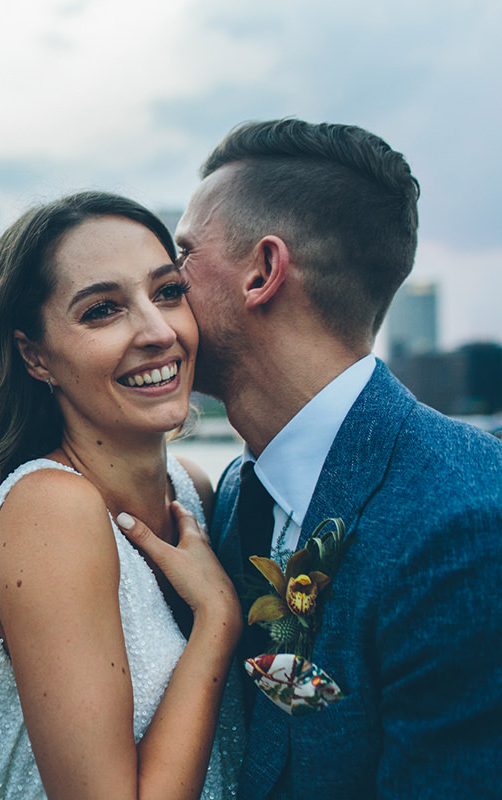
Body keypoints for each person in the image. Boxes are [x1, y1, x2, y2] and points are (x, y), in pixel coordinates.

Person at [167, 118, 502, 798]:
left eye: (181, 257)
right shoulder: (236, 490)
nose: (161, 288)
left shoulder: (464, 524)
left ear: (262, 271)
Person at [0, 191, 244, 800]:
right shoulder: (51, 512)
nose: (156, 331)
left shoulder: (193, 491)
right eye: (102, 310)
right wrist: (217, 621)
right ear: (35, 356)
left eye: (168, 292)